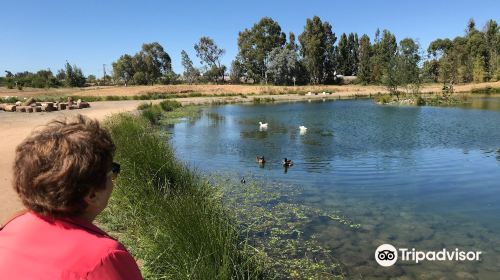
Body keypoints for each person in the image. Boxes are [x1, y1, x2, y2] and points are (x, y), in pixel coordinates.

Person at [0, 115, 143, 279]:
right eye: (113, 171)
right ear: (92, 194)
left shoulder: (10, 227)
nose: (113, 179)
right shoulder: (104, 258)